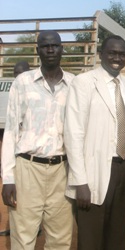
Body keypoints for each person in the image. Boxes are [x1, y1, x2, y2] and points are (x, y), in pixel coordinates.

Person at [1, 30, 74, 249]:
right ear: (38, 50)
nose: (50, 50)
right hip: (27, 169)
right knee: (23, 237)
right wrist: (8, 178)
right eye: (45, 46)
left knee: (60, 239)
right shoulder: (23, 83)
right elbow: (11, 130)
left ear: (62, 49)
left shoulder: (74, 85)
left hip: (62, 170)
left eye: (54, 45)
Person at [64, 35, 125, 250]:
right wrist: (80, 182)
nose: (117, 58)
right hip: (92, 172)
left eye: (122, 54)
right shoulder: (84, 82)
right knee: (91, 238)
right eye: (112, 53)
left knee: (116, 235)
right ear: (100, 54)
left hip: (121, 167)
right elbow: (73, 133)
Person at [0, 61, 31, 237]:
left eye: (22, 73)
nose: (19, 77)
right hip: (16, 154)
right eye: (15, 73)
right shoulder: (13, 92)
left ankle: (34, 226)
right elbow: (10, 132)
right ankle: (18, 227)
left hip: (30, 158)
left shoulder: (35, 93)